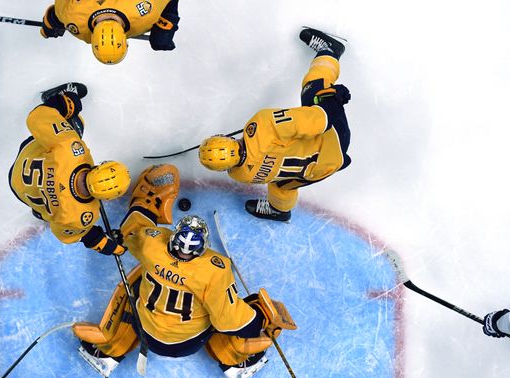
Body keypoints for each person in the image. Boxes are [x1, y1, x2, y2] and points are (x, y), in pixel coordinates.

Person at [71, 164, 297, 378]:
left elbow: (130, 233)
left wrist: (127, 226)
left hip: (147, 335)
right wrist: (259, 319)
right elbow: (230, 320)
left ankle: (108, 351)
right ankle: (236, 361)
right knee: (225, 308)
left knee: (136, 281)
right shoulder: (214, 269)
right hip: (189, 343)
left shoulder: (153, 245)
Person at [198, 27, 352, 222]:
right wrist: (332, 100)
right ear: (226, 138)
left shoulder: (241, 175)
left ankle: (279, 211)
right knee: (312, 88)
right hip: (335, 136)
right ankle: (330, 52)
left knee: (281, 185)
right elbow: (312, 121)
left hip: (324, 168)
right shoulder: (262, 126)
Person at [9, 82, 130, 256]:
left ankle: (59, 97)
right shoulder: (81, 217)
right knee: (53, 216)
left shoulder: (71, 149)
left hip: (23, 160)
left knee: (75, 123)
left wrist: (66, 103)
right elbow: (64, 234)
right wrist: (104, 244)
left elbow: (35, 118)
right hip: (21, 193)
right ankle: (41, 209)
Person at [39, 0, 180, 65]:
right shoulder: (74, 20)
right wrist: (52, 21)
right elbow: (61, 13)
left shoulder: (144, 11)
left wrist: (166, 24)